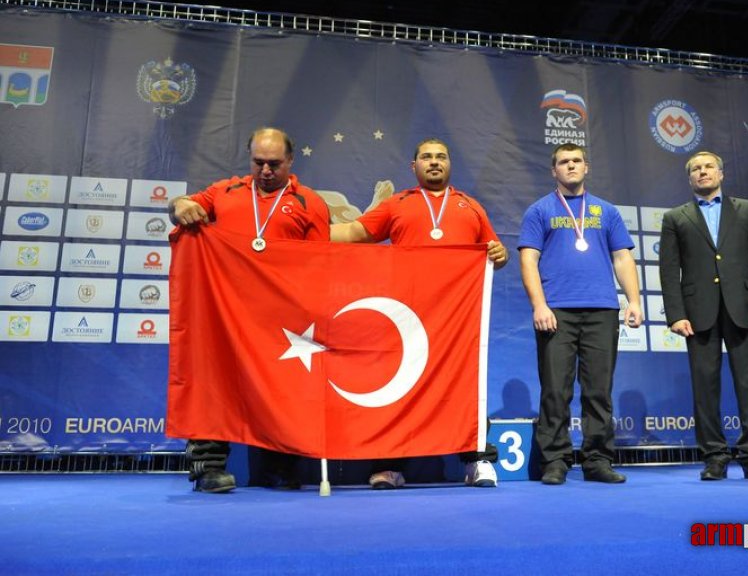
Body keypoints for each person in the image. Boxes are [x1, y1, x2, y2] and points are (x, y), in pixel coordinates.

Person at [330, 137, 509, 489]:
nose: (434, 162)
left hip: (457, 321)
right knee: (399, 388)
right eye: (426, 157)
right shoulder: (398, 203)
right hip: (407, 317)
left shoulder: (469, 207)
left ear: (450, 164)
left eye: (441, 156)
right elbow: (354, 232)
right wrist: (299, 233)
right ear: (414, 167)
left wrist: (500, 254)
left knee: (465, 387)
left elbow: (492, 253)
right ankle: (389, 466)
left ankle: (475, 461)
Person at [168, 127, 330, 493]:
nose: (266, 170)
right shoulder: (224, 191)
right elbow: (181, 206)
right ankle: (208, 468)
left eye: (274, 163)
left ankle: (278, 466)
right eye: (258, 162)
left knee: (279, 387)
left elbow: (322, 262)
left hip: (281, 314)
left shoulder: (311, 203)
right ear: (249, 158)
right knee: (213, 383)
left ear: (290, 160)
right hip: (224, 309)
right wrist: (179, 205)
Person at [518, 142, 643, 485]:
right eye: (563, 162)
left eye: (576, 161)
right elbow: (528, 259)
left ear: (586, 167)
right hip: (556, 310)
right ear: (553, 170)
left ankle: (597, 460)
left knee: (598, 390)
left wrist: (633, 300)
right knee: (555, 390)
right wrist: (539, 305)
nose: (570, 166)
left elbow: (622, 258)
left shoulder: (607, 211)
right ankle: (555, 461)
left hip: (602, 309)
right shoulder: (539, 211)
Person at [658, 150, 748, 481]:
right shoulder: (675, 218)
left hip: (744, 308)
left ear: (721, 174)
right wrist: (675, 314)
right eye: (696, 169)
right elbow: (669, 271)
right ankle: (714, 456)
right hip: (698, 313)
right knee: (704, 388)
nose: (703, 172)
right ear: (690, 179)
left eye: (709, 166)